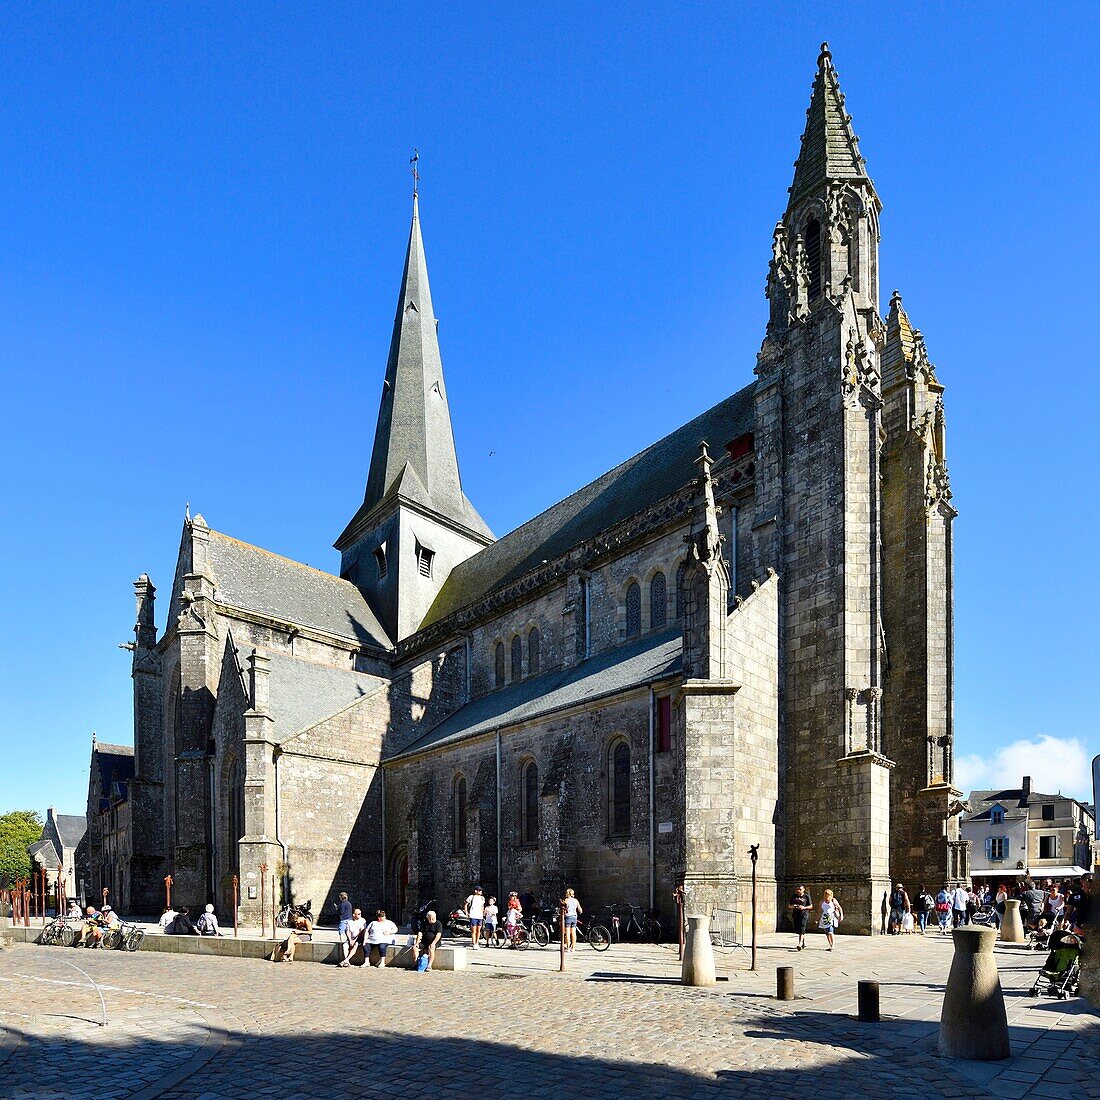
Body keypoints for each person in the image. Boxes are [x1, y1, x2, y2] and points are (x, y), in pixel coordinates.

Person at [787, 884, 813, 951]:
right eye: (797, 889)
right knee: (799, 929)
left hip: (804, 914)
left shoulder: (806, 896)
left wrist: (804, 907)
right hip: (796, 914)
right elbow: (789, 905)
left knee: (802, 927)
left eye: (800, 889)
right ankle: (803, 943)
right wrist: (793, 906)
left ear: (803, 890)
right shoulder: (794, 896)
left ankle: (800, 944)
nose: (798, 891)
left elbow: (811, 906)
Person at [562, 888, 583, 953]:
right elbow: (580, 910)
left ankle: (568, 947)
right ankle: (573, 948)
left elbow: (564, 910)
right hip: (574, 917)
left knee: (567, 933)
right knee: (573, 932)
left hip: (568, 917)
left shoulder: (566, 900)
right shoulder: (576, 900)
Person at [465, 886, 486, 950]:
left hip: (480, 916)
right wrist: (466, 912)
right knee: (473, 930)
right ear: (475, 891)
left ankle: (477, 943)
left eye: (481, 890)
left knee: (479, 930)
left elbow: (482, 906)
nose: (480, 891)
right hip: (473, 915)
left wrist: (483, 913)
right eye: (479, 890)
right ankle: (474, 943)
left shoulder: (482, 898)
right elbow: (465, 904)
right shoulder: (471, 897)